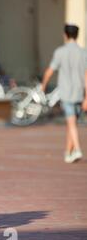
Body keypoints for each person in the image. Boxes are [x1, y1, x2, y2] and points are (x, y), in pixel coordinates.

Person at [41, 24, 87, 163]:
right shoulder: (83, 52)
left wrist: (43, 85)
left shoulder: (60, 52)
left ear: (65, 35)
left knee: (71, 123)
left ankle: (77, 149)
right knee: (71, 123)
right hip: (79, 92)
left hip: (66, 92)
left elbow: (50, 71)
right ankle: (68, 153)